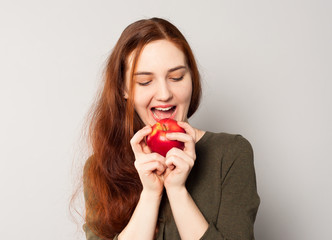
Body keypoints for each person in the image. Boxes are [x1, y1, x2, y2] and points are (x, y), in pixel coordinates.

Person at [82, 17, 260, 240]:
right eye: (145, 81)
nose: (165, 94)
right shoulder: (101, 168)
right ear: (123, 90)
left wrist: (177, 191)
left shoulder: (231, 153)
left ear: (192, 79)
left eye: (176, 77)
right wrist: (150, 194)